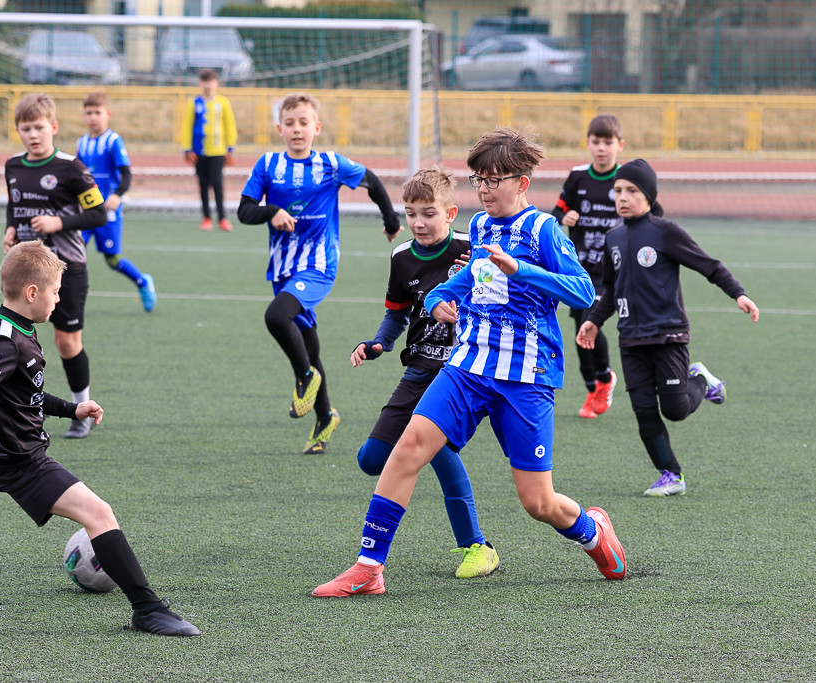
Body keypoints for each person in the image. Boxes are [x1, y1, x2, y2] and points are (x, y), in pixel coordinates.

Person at [313, 126, 626, 598]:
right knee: (409, 446)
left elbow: (583, 289)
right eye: (479, 179)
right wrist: (439, 296)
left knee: (538, 502)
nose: (484, 188)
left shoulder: (542, 229)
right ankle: (369, 567)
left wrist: (522, 268)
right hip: (469, 365)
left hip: (526, 376)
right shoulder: (478, 228)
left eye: (494, 179)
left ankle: (592, 530)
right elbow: (469, 282)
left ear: (521, 182)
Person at [0, 241, 200, 636]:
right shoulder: (5, 342)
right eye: (55, 291)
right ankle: (147, 608)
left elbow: (24, 394)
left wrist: (71, 409)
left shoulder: (8, 325)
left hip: (7, 451)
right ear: (32, 292)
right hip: (23, 459)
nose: (59, 298)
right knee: (100, 514)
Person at [576, 158, 760, 497]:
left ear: (647, 194)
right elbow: (610, 290)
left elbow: (709, 265)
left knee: (674, 410)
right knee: (644, 410)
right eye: (618, 191)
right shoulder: (613, 238)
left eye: (631, 190)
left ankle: (701, 379)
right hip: (631, 339)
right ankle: (670, 475)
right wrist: (592, 320)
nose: (622, 197)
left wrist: (739, 294)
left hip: (668, 335)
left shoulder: (665, 232)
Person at [350, 166, 497, 579]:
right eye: (411, 212)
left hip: (460, 373)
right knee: (371, 459)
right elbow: (395, 315)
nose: (418, 222)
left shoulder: (474, 249)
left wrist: (469, 302)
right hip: (418, 369)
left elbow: (503, 301)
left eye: (428, 213)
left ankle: (476, 546)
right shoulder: (401, 258)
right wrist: (378, 343)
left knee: (437, 449)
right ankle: (476, 542)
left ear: (451, 213)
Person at [237, 92, 401, 454]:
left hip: (319, 264)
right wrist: (271, 212)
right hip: (283, 268)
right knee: (308, 344)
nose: (297, 130)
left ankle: (305, 379)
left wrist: (391, 220)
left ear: (316, 127)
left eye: (304, 123)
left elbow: (372, 181)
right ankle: (325, 417)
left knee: (277, 316)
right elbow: (244, 211)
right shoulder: (268, 165)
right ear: (280, 128)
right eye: (290, 123)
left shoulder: (330, 163)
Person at [3, 93, 105, 439]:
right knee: (14, 340)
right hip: (24, 269)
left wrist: (59, 224)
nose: (33, 134)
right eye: (26, 128)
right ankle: (15, 411)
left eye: (39, 127)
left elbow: (99, 214)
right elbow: (13, 205)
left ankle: (83, 410)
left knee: (66, 342)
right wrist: (11, 229)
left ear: (54, 127)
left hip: (66, 269)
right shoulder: (13, 166)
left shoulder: (71, 168)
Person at [551, 114, 624, 419]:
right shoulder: (578, 176)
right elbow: (556, 213)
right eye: (596, 142)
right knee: (579, 329)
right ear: (588, 144)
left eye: (608, 143)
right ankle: (593, 385)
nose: (602, 148)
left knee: (588, 322)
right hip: (578, 267)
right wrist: (563, 218)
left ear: (620, 145)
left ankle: (604, 377)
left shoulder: (626, 179)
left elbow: (651, 216)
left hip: (611, 269)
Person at [77, 91, 157, 313]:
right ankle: (63, 299)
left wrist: (116, 195)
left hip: (108, 212)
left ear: (107, 114)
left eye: (97, 113)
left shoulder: (113, 141)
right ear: (84, 116)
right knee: (72, 253)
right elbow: (78, 175)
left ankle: (142, 281)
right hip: (86, 210)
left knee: (112, 260)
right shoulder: (82, 143)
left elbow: (126, 173)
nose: (93, 117)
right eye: (89, 113)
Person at [182, 69, 238, 232]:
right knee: (203, 184)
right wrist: (187, 149)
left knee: (217, 183)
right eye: (204, 81)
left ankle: (222, 218)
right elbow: (187, 126)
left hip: (218, 151)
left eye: (211, 81)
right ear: (200, 84)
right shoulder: (194, 103)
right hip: (199, 152)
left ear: (216, 83)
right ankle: (206, 218)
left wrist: (231, 147)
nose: (208, 85)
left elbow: (229, 124)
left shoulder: (222, 103)